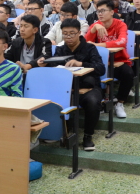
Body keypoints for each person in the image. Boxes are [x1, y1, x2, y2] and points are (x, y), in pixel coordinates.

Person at [38, 18, 105, 151]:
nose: (68, 37)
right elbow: (54, 68)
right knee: (51, 100)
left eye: (72, 33)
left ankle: (88, 136)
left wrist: (81, 64)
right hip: (66, 89)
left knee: (92, 101)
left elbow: (101, 68)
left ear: (79, 33)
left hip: (88, 87)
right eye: (65, 34)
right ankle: (59, 132)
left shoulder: (90, 48)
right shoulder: (60, 49)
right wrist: (45, 63)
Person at [84, 0, 133, 119]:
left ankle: (120, 103)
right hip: (100, 63)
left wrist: (97, 45)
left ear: (112, 12)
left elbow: (121, 42)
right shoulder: (95, 25)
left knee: (128, 73)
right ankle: (99, 102)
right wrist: (93, 30)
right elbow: (85, 44)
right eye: (98, 11)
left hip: (118, 61)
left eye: (103, 11)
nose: (100, 14)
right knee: (90, 76)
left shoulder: (120, 24)